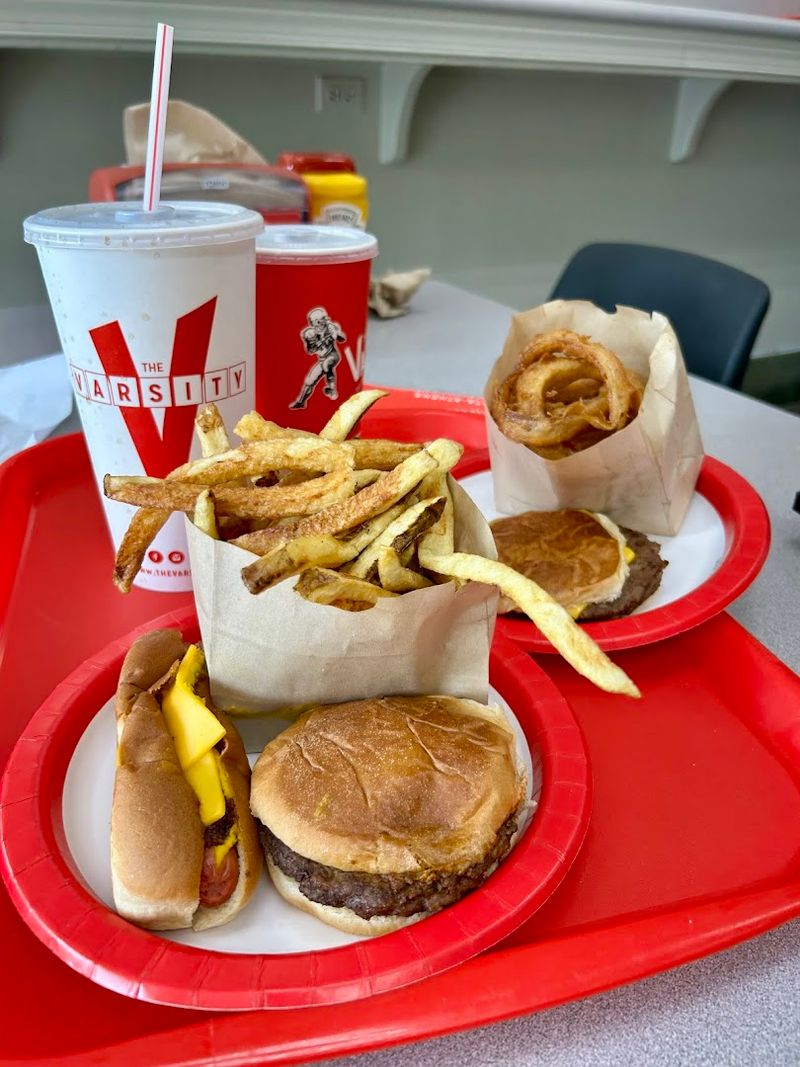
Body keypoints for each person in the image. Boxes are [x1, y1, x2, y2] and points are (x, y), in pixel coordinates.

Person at [289, 306, 346, 409]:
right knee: (309, 380)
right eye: (317, 322)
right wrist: (315, 344)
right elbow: (310, 351)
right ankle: (301, 401)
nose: (321, 324)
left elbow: (342, 338)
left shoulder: (331, 327)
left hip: (332, 355)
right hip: (322, 359)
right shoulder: (310, 333)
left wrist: (335, 333)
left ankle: (332, 388)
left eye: (322, 320)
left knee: (326, 365)